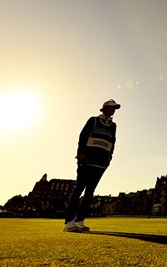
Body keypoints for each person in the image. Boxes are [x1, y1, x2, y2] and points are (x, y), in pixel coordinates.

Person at [63, 99, 120, 232]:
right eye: (111, 107)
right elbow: (83, 136)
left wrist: (109, 159)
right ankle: (69, 222)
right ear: (104, 108)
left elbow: (112, 142)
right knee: (79, 189)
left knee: (89, 193)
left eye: (114, 108)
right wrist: (80, 153)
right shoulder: (93, 120)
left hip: (101, 164)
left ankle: (80, 221)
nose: (113, 110)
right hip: (87, 160)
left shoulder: (113, 126)